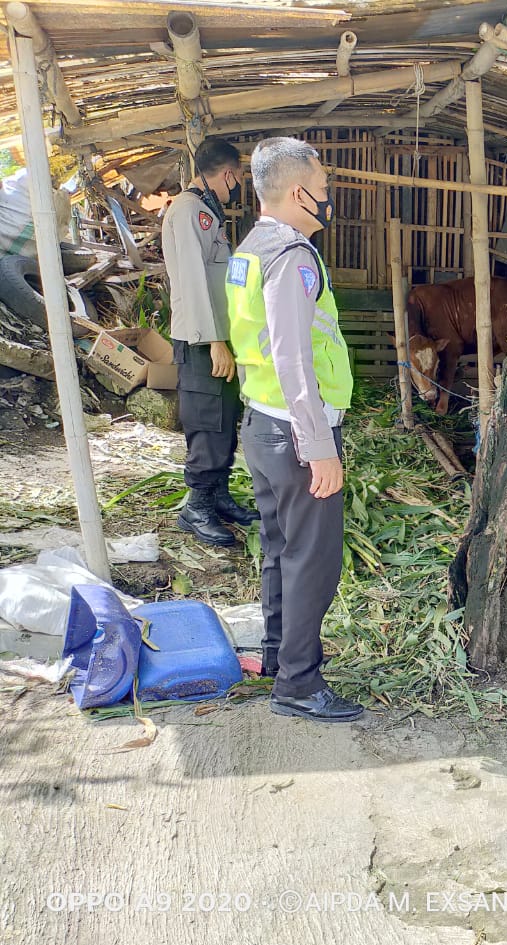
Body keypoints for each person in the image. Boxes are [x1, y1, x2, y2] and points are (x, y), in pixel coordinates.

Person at [226, 137, 362, 723]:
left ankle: (280, 657)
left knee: (281, 551)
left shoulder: (250, 249)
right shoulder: (293, 257)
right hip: (294, 435)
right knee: (313, 559)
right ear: (300, 191)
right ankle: (300, 686)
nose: (329, 197)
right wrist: (319, 445)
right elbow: (293, 358)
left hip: (260, 424)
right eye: (325, 187)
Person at [161, 137, 259, 546]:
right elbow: (193, 280)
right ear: (229, 173)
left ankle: (217, 495)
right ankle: (196, 507)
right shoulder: (188, 211)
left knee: (223, 420)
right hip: (203, 339)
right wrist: (216, 340)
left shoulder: (206, 210)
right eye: (237, 177)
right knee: (207, 424)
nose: (237, 185)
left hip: (218, 336)